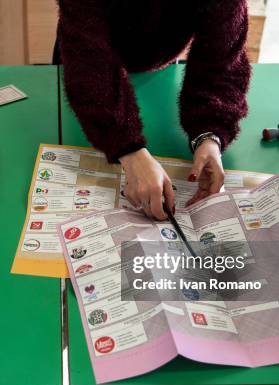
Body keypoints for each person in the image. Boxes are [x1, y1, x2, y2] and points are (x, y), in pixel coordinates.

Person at [56, 0, 251, 220]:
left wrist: (210, 134)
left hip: (163, 55)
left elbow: (222, 61)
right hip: (89, 46)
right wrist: (129, 151)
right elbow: (89, 68)